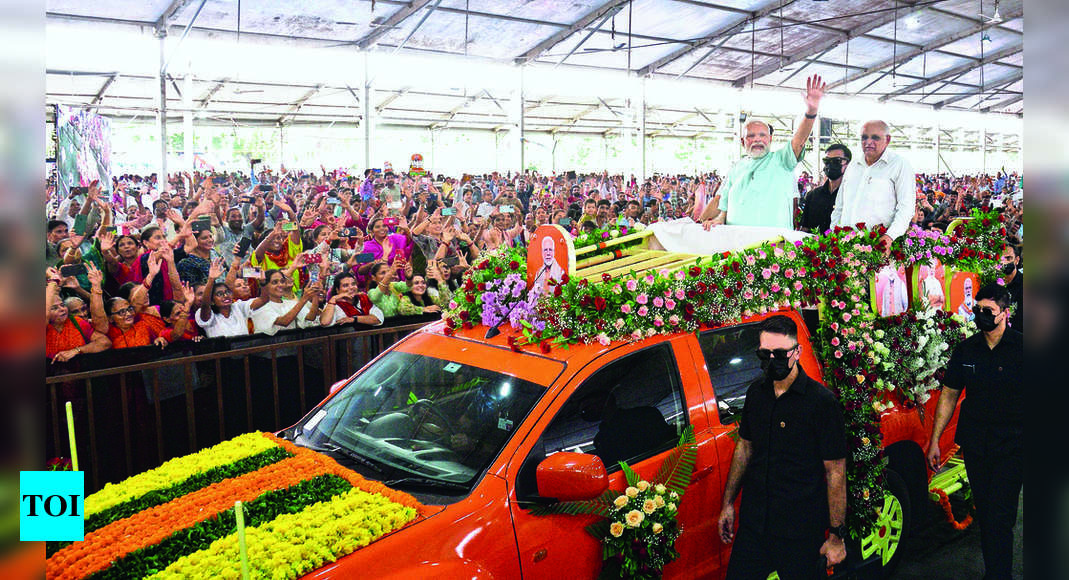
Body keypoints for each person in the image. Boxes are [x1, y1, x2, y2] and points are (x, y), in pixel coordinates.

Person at [718, 315, 847, 579]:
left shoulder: (820, 403)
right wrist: (728, 503)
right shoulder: (756, 394)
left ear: (797, 352)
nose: (771, 361)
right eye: (764, 355)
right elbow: (744, 447)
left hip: (798, 528)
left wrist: (836, 535)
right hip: (755, 523)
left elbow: (835, 472)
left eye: (779, 354)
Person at [926, 283, 1022, 580]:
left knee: (1001, 516)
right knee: (986, 513)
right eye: (978, 309)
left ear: (1005, 313)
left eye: (988, 311)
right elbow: (949, 394)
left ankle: (998, 574)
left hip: (1013, 446)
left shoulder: (1024, 348)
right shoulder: (966, 350)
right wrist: (935, 440)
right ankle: (994, 571)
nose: (981, 315)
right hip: (976, 445)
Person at [700, 75, 826, 230]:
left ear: (770, 139)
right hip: (737, 242)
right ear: (742, 141)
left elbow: (799, 140)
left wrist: (811, 112)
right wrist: (719, 218)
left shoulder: (782, 160)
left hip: (772, 245)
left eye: (762, 135)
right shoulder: (736, 168)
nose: (757, 140)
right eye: (751, 136)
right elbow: (725, 202)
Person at [830, 120, 915, 254]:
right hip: (846, 247)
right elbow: (840, 206)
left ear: (887, 140)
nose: (868, 142)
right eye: (864, 137)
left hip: (880, 248)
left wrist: (890, 236)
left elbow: (906, 208)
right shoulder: (853, 166)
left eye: (875, 137)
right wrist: (835, 232)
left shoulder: (899, 165)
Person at [799, 144, 851, 234]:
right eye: (827, 161)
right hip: (814, 246)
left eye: (837, 161)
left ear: (848, 164)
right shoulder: (812, 195)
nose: (830, 165)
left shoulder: (851, 197)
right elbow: (804, 228)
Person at [999, 244, 1022, 331]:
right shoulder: (992, 281)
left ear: (1016, 260)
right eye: (1001, 259)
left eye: (1008, 258)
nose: (1004, 262)